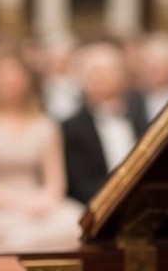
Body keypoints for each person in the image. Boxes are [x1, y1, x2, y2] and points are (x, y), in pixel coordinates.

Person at [0, 50, 84, 250]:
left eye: (15, 75)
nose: (9, 82)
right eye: (2, 76)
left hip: (40, 202)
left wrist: (42, 202)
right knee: (21, 239)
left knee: (79, 225)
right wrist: (22, 204)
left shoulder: (45, 125)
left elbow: (55, 183)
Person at [61, 40, 150, 206]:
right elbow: (79, 185)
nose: (100, 77)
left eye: (107, 71)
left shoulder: (142, 116)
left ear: (123, 75)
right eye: (94, 72)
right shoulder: (70, 128)